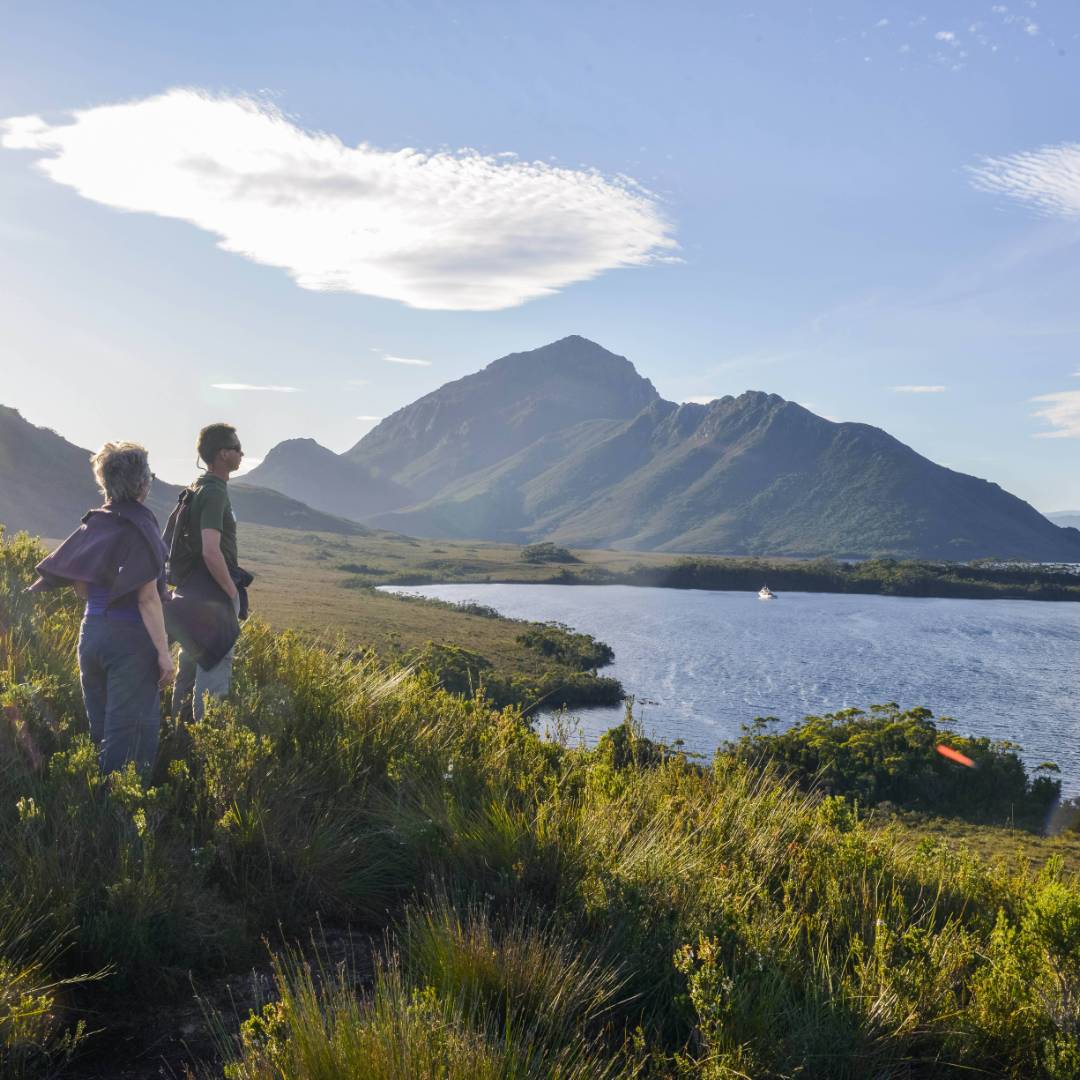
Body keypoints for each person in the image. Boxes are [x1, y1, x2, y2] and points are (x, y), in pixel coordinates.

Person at [28, 442, 174, 776]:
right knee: (130, 737)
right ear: (142, 483)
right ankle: (123, 806)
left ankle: (97, 802)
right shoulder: (142, 526)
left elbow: (81, 586)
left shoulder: (94, 524)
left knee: (102, 731)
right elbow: (147, 598)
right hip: (129, 640)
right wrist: (164, 654)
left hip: (91, 634)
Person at [168, 422, 249, 722]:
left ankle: (178, 735)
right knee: (214, 675)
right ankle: (206, 741)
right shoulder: (214, 492)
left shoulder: (197, 486)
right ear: (223, 453)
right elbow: (210, 550)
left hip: (192, 591)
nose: (242, 454)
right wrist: (230, 591)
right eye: (237, 448)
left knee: (188, 668)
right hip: (213, 595)